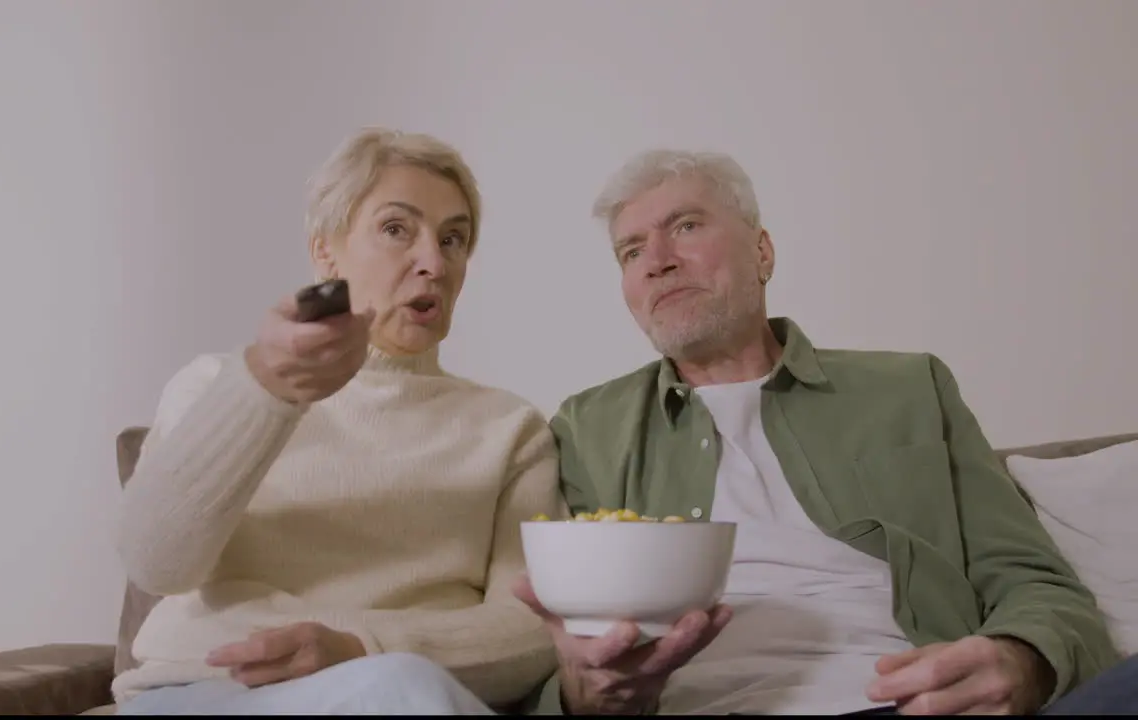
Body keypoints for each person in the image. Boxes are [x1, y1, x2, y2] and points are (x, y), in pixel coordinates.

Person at [509, 148, 1137, 715]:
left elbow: (1033, 578)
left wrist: (1021, 661)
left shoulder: (911, 389)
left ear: (762, 251)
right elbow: (566, 646)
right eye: (630, 251)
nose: (657, 263)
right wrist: (582, 698)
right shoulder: (586, 428)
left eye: (686, 226)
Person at [111, 127, 560, 715]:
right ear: (325, 250)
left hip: (410, 692)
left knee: (399, 688)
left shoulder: (510, 428)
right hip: (209, 692)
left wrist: (364, 648)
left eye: (454, 239)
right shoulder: (218, 385)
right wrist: (267, 392)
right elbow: (155, 562)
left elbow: (535, 626)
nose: (433, 262)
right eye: (397, 229)